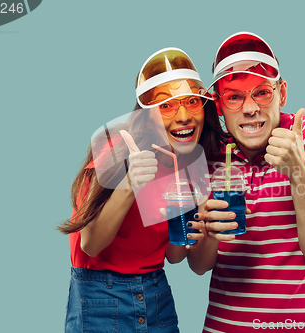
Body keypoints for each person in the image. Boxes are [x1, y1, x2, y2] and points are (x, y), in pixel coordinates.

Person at [187, 32, 305, 332]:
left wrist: (299, 169)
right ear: (219, 105)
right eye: (235, 96)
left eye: (261, 92)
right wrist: (209, 231)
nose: (250, 108)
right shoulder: (210, 154)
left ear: (282, 93)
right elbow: (198, 266)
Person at [58, 47, 227, 333]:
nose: (183, 115)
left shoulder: (192, 163)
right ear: (146, 116)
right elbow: (90, 244)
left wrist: (200, 223)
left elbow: (174, 256)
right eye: (167, 106)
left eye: (191, 102)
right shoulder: (117, 147)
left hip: (155, 292)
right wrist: (130, 183)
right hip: (100, 297)